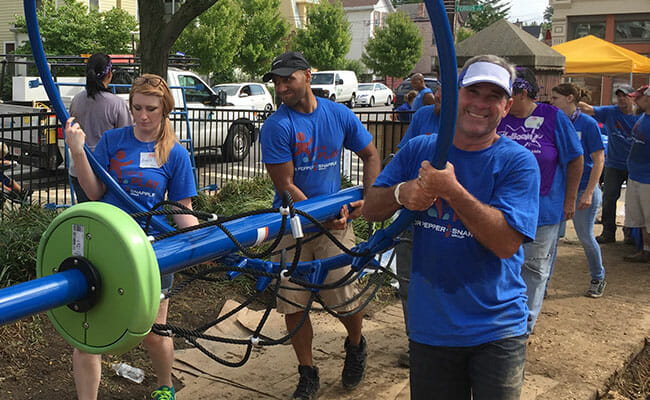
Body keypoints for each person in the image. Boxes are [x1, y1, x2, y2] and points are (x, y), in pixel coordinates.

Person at [362, 54, 540, 399]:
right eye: (474, 92)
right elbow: (371, 209)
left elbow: (505, 244)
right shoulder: (420, 149)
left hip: (497, 329)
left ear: (506, 107)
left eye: (494, 97)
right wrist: (403, 192)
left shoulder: (518, 162)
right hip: (431, 329)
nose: (481, 104)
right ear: (455, 95)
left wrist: (452, 192)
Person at [65, 74, 198, 400]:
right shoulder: (113, 141)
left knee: (155, 332)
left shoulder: (175, 154)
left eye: (151, 109)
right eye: (137, 107)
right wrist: (78, 152)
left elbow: (182, 210)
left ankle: (165, 387)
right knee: (88, 336)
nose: (143, 115)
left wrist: (202, 241)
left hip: (152, 250)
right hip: (107, 245)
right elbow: (94, 192)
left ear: (164, 110)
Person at [259, 51, 381, 400]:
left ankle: (355, 345)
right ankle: (307, 372)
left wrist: (367, 201)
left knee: (344, 298)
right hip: (294, 224)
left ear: (308, 76)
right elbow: (286, 186)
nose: (282, 87)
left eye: (288, 79)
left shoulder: (338, 114)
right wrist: (322, 214)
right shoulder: (278, 126)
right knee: (293, 303)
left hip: (335, 222)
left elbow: (371, 155)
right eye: (277, 82)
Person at [497, 67, 583, 332]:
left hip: (543, 209)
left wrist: (570, 200)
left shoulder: (553, 117)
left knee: (533, 268)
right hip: (501, 207)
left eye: (507, 93)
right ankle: (499, 317)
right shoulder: (499, 118)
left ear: (522, 93)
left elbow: (575, 159)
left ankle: (524, 325)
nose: (502, 101)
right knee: (500, 264)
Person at [392, 87, 442, 368]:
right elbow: (402, 155)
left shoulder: (468, 127)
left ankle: (441, 344)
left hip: (444, 222)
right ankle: (417, 343)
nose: (437, 95)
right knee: (409, 283)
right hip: (410, 217)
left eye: (446, 91)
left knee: (441, 285)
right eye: (437, 89)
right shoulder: (423, 115)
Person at [550, 83, 607, 297]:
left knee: (585, 236)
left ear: (570, 98)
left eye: (555, 97)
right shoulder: (555, 120)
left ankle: (598, 277)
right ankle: (544, 283)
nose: (552, 101)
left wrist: (589, 192)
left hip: (584, 187)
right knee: (551, 238)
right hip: (561, 189)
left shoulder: (588, 123)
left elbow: (599, 159)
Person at [578, 84, 639, 244]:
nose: (621, 99)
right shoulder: (611, 112)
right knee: (610, 198)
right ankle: (608, 231)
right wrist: (574, 97)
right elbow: (588, 109)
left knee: (632, 202)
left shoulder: (640, 115)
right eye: (618, 96)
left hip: (635, 166)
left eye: (624, 96)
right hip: (614, 164)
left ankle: (630, 234)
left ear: (632, 97)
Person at [68, 53, 132, 203]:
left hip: (78, 169)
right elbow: (127, 138)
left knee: (87, 217)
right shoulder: (116, 103)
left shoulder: (77, 100)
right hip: (105, 174)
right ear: (109, 74)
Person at [623, 84, 650, 262]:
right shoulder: (642, 117)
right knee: (639, 218)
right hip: (635, 174)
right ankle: (646, 250)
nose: (635, 100)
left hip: (648, 178)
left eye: (638, 97)